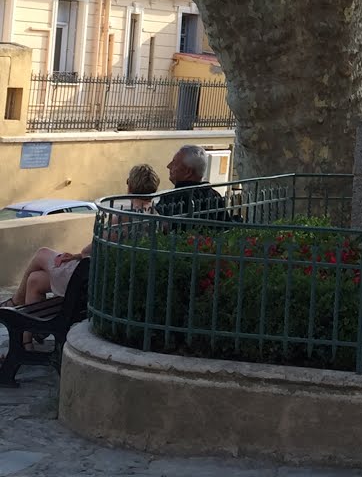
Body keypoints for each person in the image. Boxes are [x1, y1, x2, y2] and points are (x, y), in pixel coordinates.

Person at [0, 161, 161, 357]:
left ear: (129, 185)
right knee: (35, 279)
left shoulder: (122, 217)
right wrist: (76, 255)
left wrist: (77, 255)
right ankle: (26, 345)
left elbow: (92, 248)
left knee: (42, 253)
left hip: (87, 281)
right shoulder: (157, 218)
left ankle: (16, 301)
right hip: (96, 280)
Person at [155, 144, 227, 221]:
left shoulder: (173, 198)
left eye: (174, 163)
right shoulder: (214, 196)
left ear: (188, 172)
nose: (169, 166)